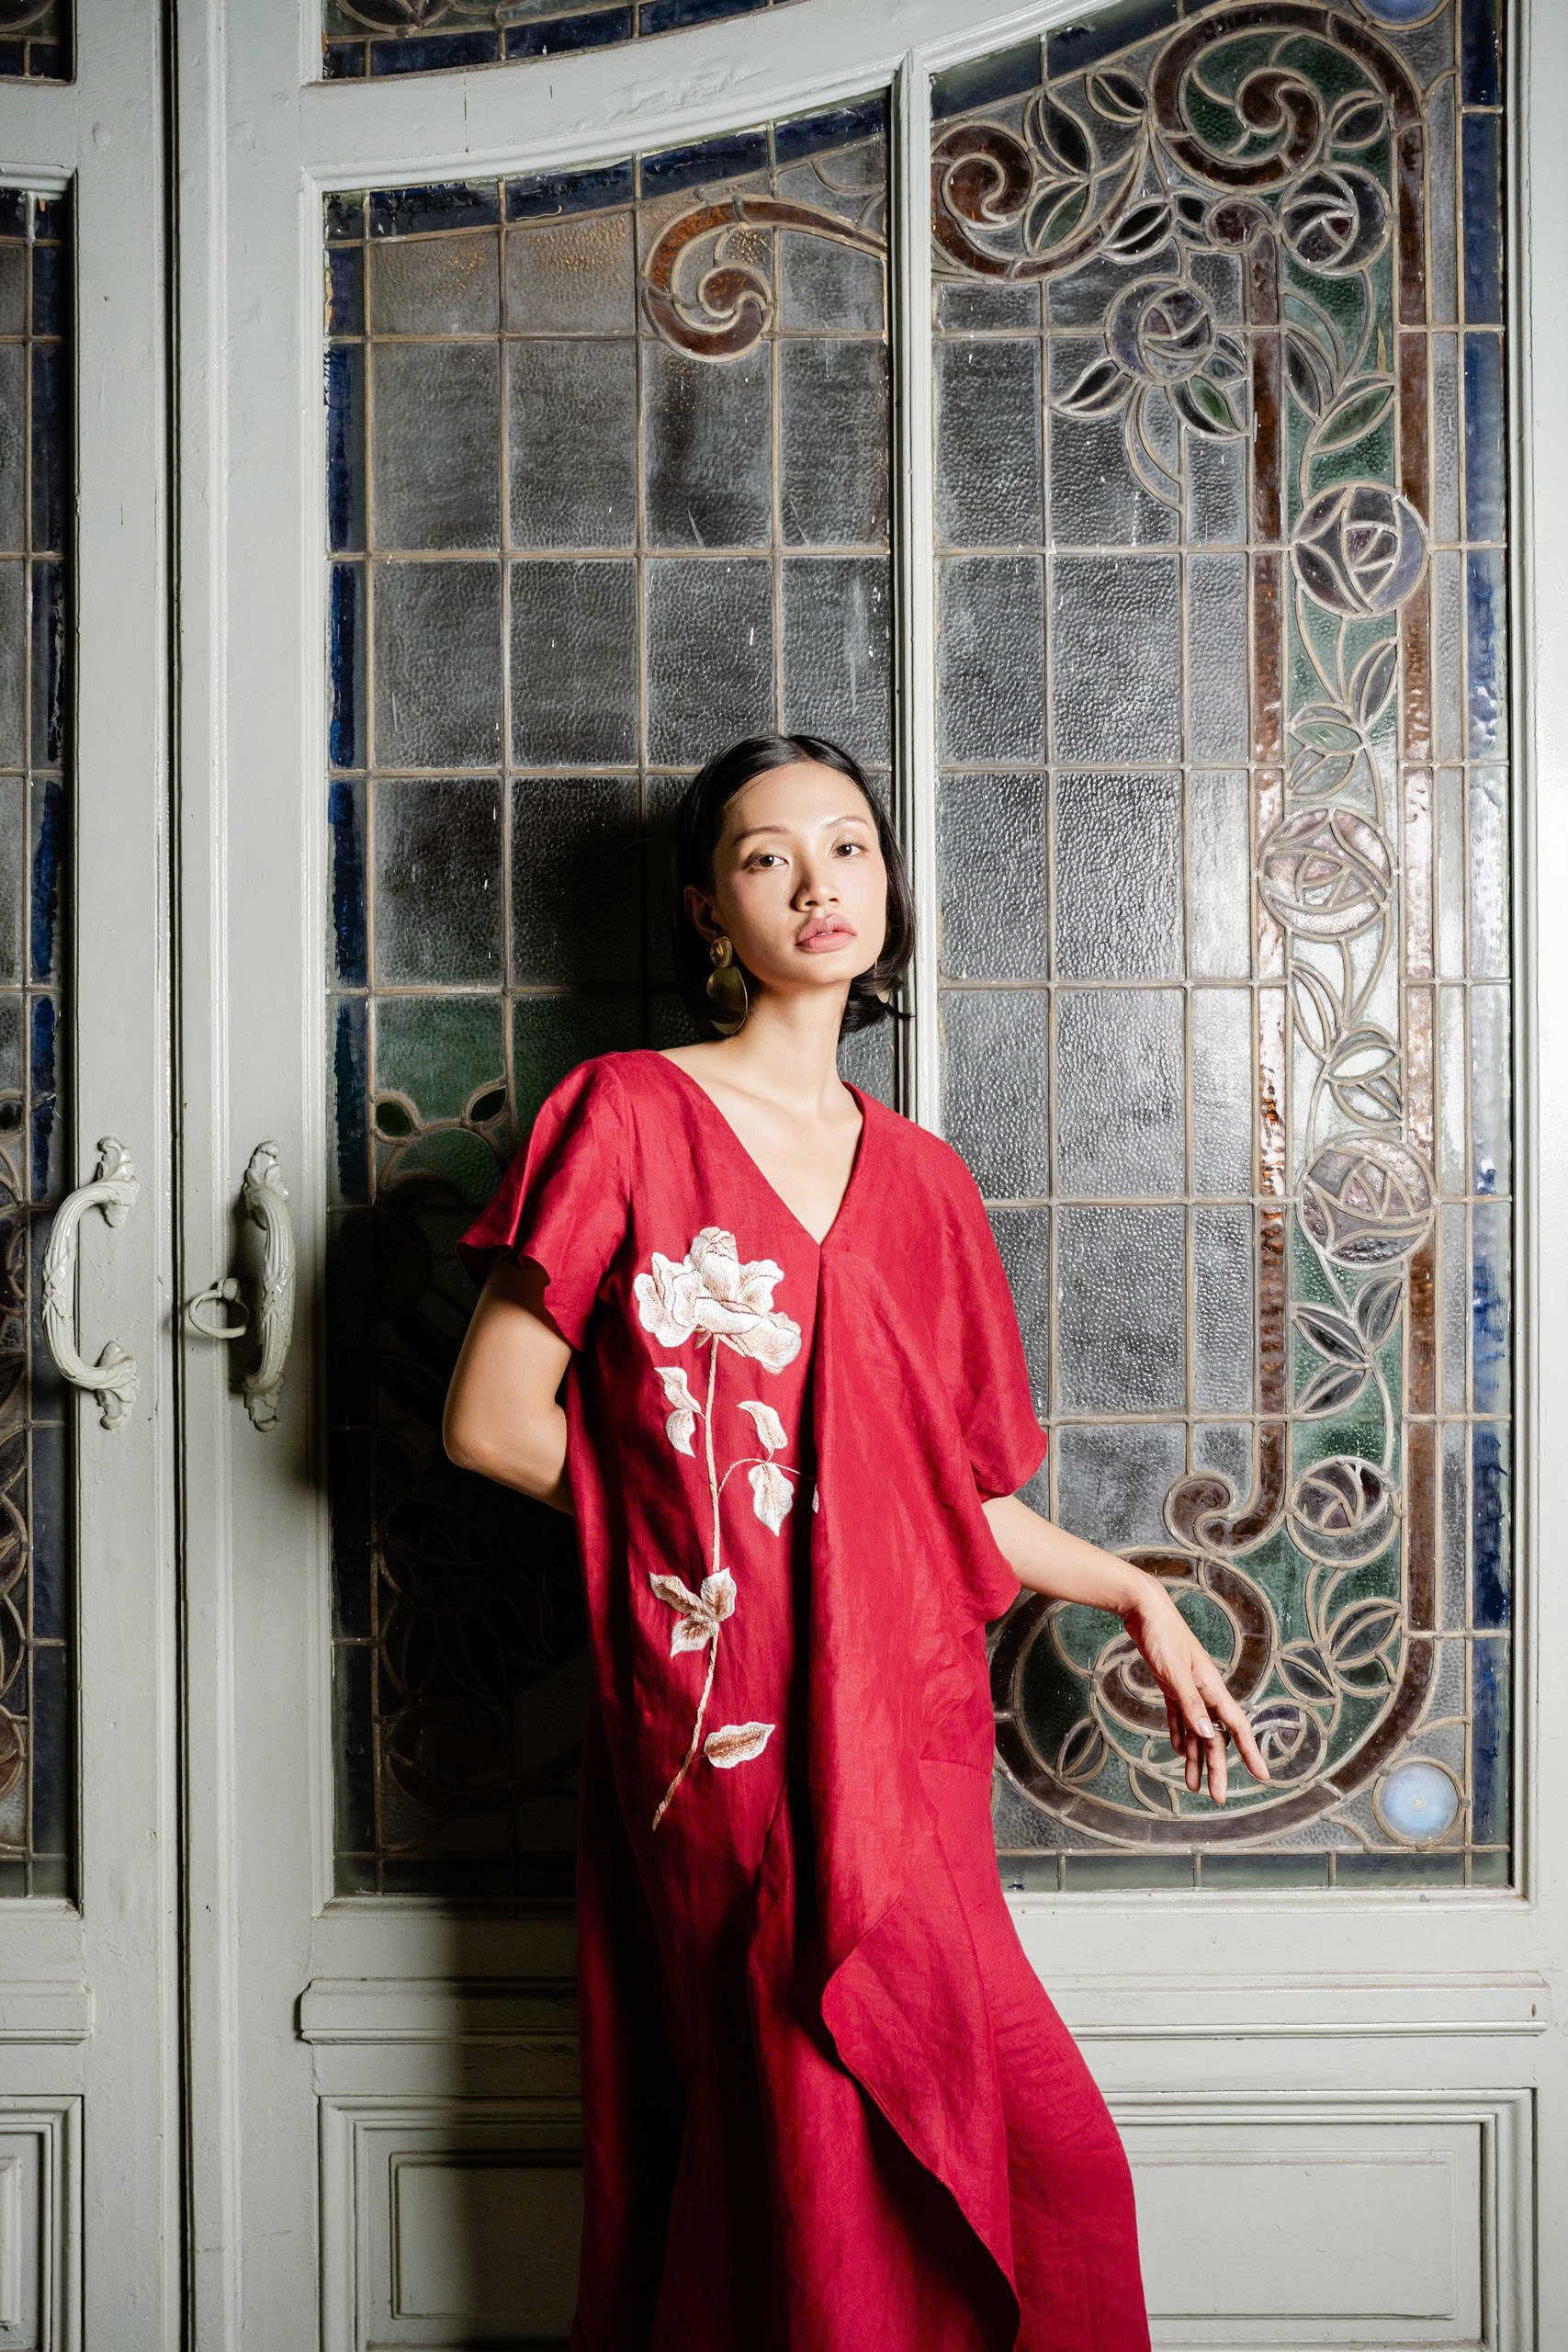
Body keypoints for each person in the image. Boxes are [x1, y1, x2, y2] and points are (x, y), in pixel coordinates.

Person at [442, 732, 1270, 2350]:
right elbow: (491, 1420)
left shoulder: (927, 1185)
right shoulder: (627, 1115)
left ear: (888, 884)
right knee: (802, 2154)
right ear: (710, 907)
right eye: (766, 857)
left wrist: (1135, 1593)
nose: (818, 884)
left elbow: (954, 1503)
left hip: (908, 1726)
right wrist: (714, 1549)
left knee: (1049, 2167)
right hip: (727, 1729)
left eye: (849, 847)